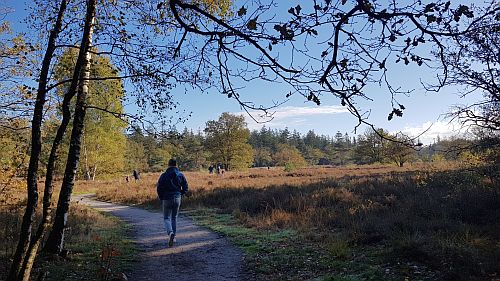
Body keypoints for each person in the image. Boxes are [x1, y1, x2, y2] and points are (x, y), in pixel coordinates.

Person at [156, 159, 189, 247]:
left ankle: (170, 233)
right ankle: (173, 238)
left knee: (166, 218)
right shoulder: (180, 175)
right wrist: (180, 193)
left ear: (168, 165)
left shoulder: (163, 175)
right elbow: (186, 187)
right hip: (177, 198)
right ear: (176, 165)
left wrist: (161, 197)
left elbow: (159, 188)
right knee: (174, 217)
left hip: (166, 198)